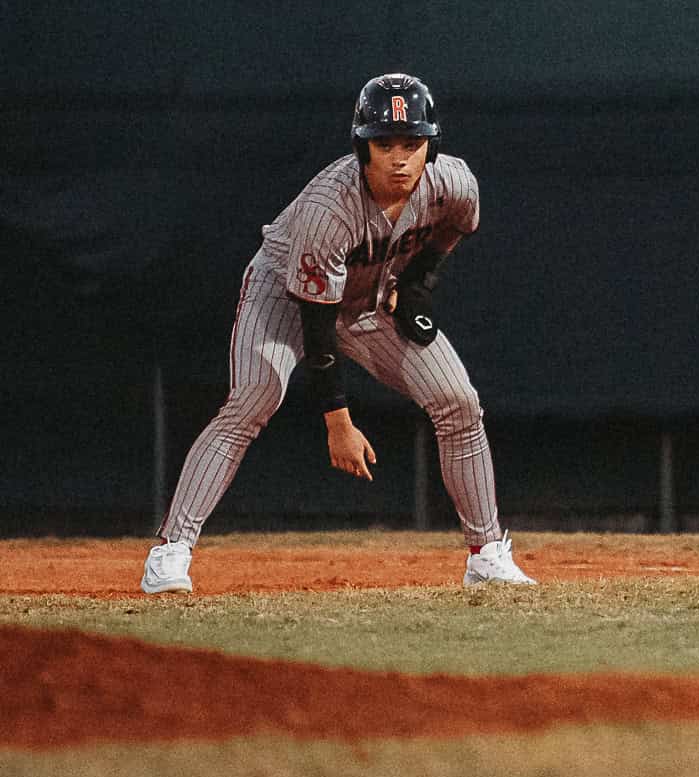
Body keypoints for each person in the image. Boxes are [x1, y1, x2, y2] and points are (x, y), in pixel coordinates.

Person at [140, 73, 535, 593]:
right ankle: (170, 551)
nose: (399, 158)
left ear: (430, 147)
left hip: (366, 297)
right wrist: (338, 423)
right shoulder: (330, 208)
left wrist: (417, 284)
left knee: (458, 400)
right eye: (384, 144)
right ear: (361, 148)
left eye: (412, 144)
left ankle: (486, 554)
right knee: (253, 399)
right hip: (284, 296)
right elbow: (317, 324)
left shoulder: (454, 184)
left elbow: (455, 227)